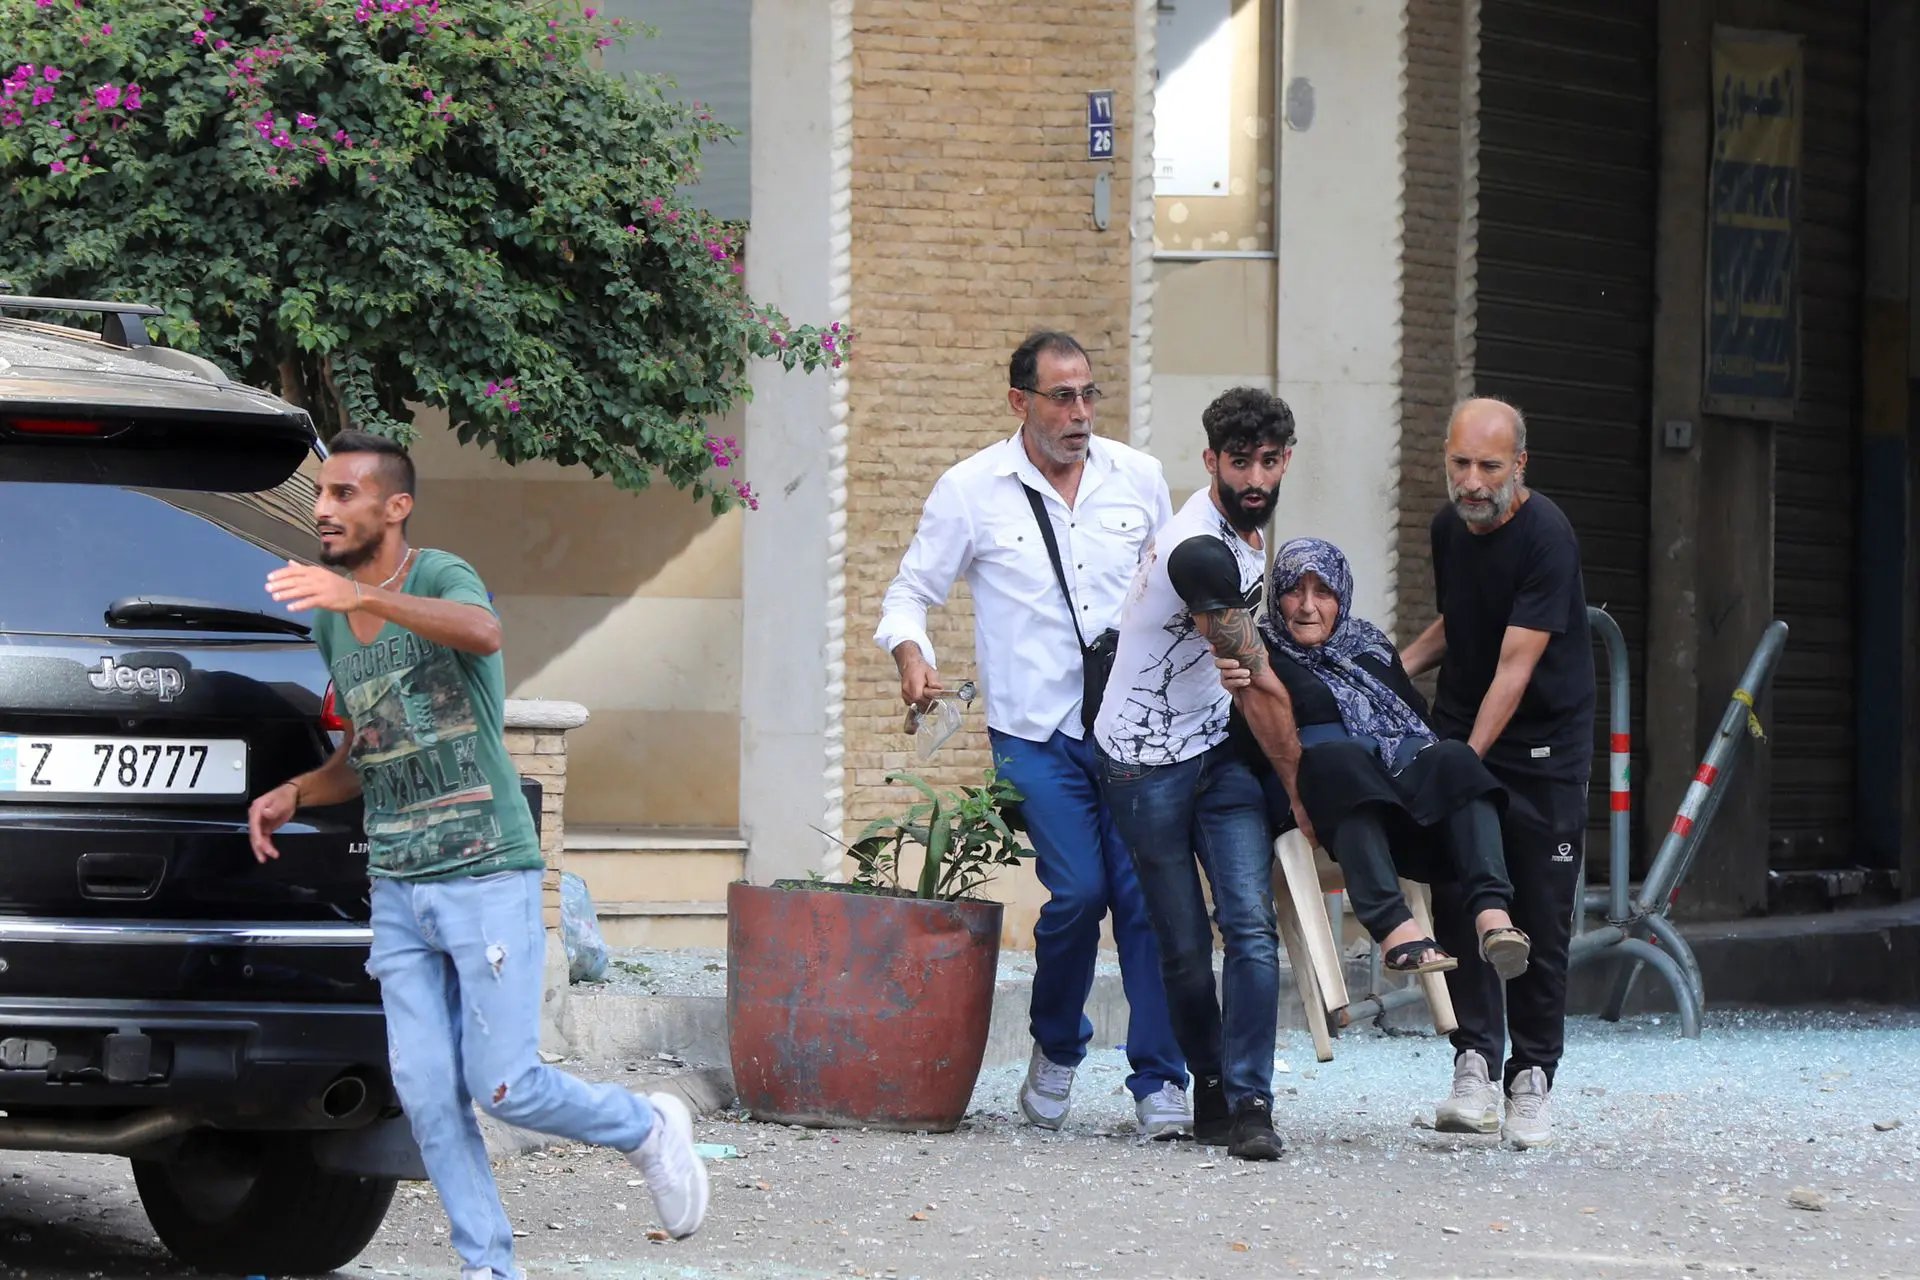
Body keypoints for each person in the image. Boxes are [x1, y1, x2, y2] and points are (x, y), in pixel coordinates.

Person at [248, 431, 707, 1280]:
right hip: (399, 884)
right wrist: (299, 792)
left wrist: (363, 594)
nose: (321, 508)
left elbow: (484, 632)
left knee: (507, 1084)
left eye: (344, 493)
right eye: (321, 494)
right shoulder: (328, 626)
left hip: (485, 867)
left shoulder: (438, 575)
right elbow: (369, 750)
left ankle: (648, 1127)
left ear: (396, 506)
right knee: (424, 1094)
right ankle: (489, 1267)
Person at [874, 332, 1191, 1138]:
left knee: (1147, 901)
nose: (1080, 413)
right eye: (1062, 397)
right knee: (1079, 894)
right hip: (1034, 730)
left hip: (1133, 729)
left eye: (1089, 394)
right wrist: (913, 656)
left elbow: (1179, 586)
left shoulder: (1140, 478)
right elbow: (910, 593)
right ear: (1021, 402)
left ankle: (1160, 1080)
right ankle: (1056, 1046)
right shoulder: (970, 488)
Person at [1092, 386, 1295, 1161]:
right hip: (1142, 766)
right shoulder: (1199, 548)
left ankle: (1250, 1102)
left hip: (1215, 752)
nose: (1255, 478)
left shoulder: (1249, 530)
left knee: (1248, 923)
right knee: (1181, 944)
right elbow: (1260, 673)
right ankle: (1209, 1085)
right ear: (1209, 461)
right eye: (1238, 462)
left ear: (1284, 462)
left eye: (1268, 462)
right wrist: (1303, 788)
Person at [1399, 396, 1596, 1150]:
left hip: (1541, 746)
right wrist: (1388, 666)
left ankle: (1532, 1076)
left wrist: (1465, 765)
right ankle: (1474, 1064)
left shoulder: (1548, 535)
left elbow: (1516, 666)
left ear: (1520, 465)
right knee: (1459, 901)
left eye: (1488, 466)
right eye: (1459, 464)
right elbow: (1463, 620)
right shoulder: (1449, 527)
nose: (1471, 482)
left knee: (1538, 915)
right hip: (1463, 728)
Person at [1241, 537, 1532, 979]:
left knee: (1455, 758)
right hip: (1322, 799)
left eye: (1323, 592)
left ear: (1342, 596)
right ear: (1275, 594)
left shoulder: (1369, 644)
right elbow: (1254, 732)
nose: (1306, 606)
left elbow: (1415, 719)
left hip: (1396, 794)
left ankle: (1493, 916)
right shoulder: (1259, 653)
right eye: (1293, 590)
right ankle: (1394, 928)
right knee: (1339, 760)